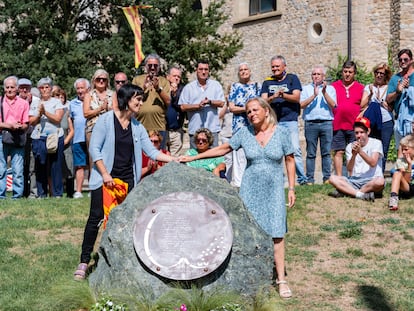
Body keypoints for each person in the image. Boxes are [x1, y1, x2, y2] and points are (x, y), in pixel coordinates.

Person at [180, 97, 296, 299]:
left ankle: (281, 280)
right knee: (248, 231)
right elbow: (223, 149)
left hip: (274, 189)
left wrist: (292, 188)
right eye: (248, 112)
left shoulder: (282, 133)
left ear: (266, 111)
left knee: (277, 232)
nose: (251, 114)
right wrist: (193, 157)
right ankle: (249, 275)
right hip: (250, 189)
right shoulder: (244, 133)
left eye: (254, 110)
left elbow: (290, 159)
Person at [74, 84, 177, 280]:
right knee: (96, 219)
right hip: (105, 181)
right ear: (125, 100)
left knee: (127, 222)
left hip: (128, 182)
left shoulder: (137, 127)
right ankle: (84, 261)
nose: (140, 102)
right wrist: (105, 174)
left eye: (141, 99)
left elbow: (152, 152)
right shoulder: (105, 121)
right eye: (137, 99)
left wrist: (175, 159)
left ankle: (121, 261)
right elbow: (94, 150)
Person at [261, 55, 307, 185]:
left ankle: (302, 179)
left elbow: (297, 97)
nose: (275, 69)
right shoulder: (267, 82)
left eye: (277, 66)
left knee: (294, 149)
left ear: (284, 67)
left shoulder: (292, 78)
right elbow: (263, 100)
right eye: (273, 67)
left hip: (290, 119)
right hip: (273, 121)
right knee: (275, 151)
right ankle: (278, 180)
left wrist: (283, 95)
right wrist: (273, 97)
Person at [328, 117, 385, 201]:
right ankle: (360, 194)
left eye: (362, 132)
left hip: (371, 180)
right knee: (332, 178)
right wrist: (354, 155)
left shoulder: (376, 143)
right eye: (356, 133)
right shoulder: (349, 146)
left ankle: (348, 191)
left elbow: (373, 163)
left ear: (368, 132)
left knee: (380, 181)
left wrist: (360, 152)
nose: (359, 136)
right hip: (354, 180)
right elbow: (349, 169)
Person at [300, 65, 336, 184]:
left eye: (318, 74)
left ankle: (327, 178)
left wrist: (324, 93)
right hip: (311, 123)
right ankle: (310, 179)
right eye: (314, 74)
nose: (316, 76)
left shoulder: (330, 89)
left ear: (323, 76)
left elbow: (333, 105)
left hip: (326, 123)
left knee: (326, 152)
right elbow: (301, 105)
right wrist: (314, 95)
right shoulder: (305, 89)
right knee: (311, 153)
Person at [29, 77, 65, 198]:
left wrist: (45, 113)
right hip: (39, 137)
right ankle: (41, 193)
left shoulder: (57, 102)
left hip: (55, 137)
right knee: (40, 165)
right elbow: (31, 121)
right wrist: (39, 114)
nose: (44, 90)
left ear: (50, 88)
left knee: (56, 165)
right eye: (42, 87)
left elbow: (58, 119)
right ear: (39, 89)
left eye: (47, 87)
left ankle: (57, 193)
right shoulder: (35, 103)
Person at [228, 62, 261, 187]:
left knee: (254, 154)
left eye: (246, 69)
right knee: (239, 156)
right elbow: (232, 107)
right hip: (239, 126)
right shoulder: (235, 87)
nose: (243, 71)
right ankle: (239, 184)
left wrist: (246, 109)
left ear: (250, 71)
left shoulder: (257, 86)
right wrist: (248, 109)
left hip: (255, 126)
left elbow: (260, 105)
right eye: (241, 70)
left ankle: (254, 183)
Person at [178, 59, 225, 149]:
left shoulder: (216, 85)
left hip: (212, 129)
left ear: (209, 71)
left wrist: (210, 102)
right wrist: (197, 106)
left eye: (206, 69)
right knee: (194, 159)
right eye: (201, 69)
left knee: (213, 159)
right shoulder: (189, 88)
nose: (203, 72)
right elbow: (183, 106)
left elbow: (222, 103)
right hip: (195, 130)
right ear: (196, 70)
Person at [331, 60, 364, 176]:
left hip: (354, 125)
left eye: (350, 72)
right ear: (342, 72)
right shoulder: (334, 86)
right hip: (338, 124)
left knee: (354, 151)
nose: (347, 74)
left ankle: (353, 176)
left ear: (354, 73)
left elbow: (364, 105)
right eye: (345, 71)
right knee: (339, 151)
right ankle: (339, 177)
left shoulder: (360, 88)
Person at [132, 54, 171, 149]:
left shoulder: (164, 81)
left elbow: (168, 101)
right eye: (150, 65)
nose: (152, 68)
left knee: (159, 156)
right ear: (145, 67)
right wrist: (143, 88)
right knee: (141, 156)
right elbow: (131, 100)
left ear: (159, 67)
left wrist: (158, 88)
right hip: (140, 125)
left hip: (159, 126)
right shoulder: (137, 79)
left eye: (155, 65)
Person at [359, 63, 393, 172]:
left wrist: (382, 101)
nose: (379, 75)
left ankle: (380, 175)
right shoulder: (369, 87)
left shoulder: (389, 88)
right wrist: (370, 94)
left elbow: (391, 107)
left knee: (383, 149)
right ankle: (370, 174)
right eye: (377, 73)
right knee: (372, 148)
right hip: (372, 122)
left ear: (386, 75)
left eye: (382, 73)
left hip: (386, 122)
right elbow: (362, 105)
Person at [0, 76, 30, 199]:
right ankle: (1, 195)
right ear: (4, 88)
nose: (10, 89)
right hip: (2, 136)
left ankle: (17, 195)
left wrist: (19, 126)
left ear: (17, 88)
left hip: (18, 136)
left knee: (17, 169)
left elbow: (26, 123)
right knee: (1, 168)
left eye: (12, 87)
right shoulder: (0, 101)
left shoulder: (23, 103)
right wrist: (9, 125)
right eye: (7, 87)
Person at [83, 69, 117, 164]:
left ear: (107, 81)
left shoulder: (113, 94)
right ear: (94, 80)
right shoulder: (88, 95)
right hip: (92, 129)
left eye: (104, 79)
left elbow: (116, 111)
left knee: (108, 157)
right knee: (93, 158)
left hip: (109, 128)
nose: (101, 81)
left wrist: (109, 109)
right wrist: (100, 108)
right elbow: (86, 113)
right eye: (98, 79)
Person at [386, 49, 413, 149]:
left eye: (405, 59)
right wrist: (397, 92)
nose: (402, 62)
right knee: (401, 152)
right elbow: (388, 99)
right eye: (400, 60)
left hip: (412, 119)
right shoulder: (395, 78)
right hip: (400, 121)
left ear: (411, 60)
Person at [52, 87, 75, 198]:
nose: (60, 99)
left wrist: (65, 141)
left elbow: (71, 130)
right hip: (52, 144)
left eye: (62, 97)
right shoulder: (50, 113)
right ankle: (54, 192)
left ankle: (70, 193)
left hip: (65, 143)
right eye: (57, 97)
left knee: (69, 167)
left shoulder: (67, 113)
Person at [70, 78, 90, 199]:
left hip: (92, 137)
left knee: (93, 165)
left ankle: (94, 190)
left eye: (82, 88)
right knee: (80, 165)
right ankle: (78, 191)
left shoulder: (93, 101)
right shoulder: (72, 104)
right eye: (78, 88)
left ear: (88, 89)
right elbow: (71, 121)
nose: (80, 90)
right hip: (78, 138)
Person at [388, 134, 414, 211]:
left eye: (406, 149)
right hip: (407, 187)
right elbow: (407, 181)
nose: (403, 152)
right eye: (402, 149)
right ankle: (393, 199)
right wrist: (409, 164)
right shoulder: (401, 161)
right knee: (397, 173)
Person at [166, 65, 185, 157]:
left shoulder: (183, 90)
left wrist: (174, 94)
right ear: (168, 77)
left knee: (175, 159)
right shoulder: (162, 89)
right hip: (163, 130)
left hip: (176, 131)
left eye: (179, 77)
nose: (177, 78)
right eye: (174, 76)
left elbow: (180, 105)